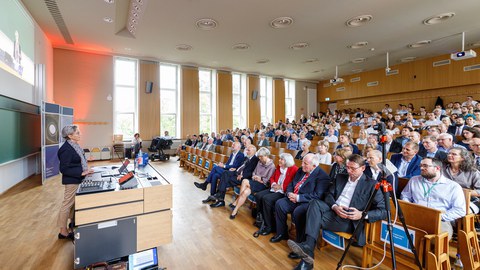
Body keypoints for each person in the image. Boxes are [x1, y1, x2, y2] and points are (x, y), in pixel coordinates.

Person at [287, 154, 387, 269]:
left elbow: (383, 211)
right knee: (313, 203)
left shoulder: (372, 184)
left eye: (353, 168)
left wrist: (362, 215)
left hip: (348, 218)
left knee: (306, 215)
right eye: (347, 167)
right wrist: (334, 206)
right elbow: (329, 195)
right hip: (332, 210)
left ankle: (307, 252)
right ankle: (308, 250)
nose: (349, 171)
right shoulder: (340, 177)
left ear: (363, 168)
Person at [271, 154, 331, 244]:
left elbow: (317, 195)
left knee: (299, 212)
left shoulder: (323, 177)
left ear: (314, 166)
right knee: (280, 203)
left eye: (305, 163)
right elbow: (292, 183)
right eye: (302, 162)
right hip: (293, 197)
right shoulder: (301, 170)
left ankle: (300, 243)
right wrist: (289, 193)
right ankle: (282, 233)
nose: (302, 165)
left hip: (307, 202)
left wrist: (298, 198)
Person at [401, 158, 466, 239]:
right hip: (415, 216)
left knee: (437, 239)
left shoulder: (453, 186)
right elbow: (405, 196)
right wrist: (409, 208)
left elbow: (460, 210)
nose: (421, 168)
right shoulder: (414, 180)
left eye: (425, 166)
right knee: (397, 231)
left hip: (439, 220)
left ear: (437, 168)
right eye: (420, 165)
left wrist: (438, 216)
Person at [57, 125, 94, 240]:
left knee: (74, 203)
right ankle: (63, 232)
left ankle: (72, 223)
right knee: (67, 204)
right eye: (77, 133)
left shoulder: (74, 145)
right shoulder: (65, 149)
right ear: (70, 135)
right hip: (72, 180)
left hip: (78, 178)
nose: (80, 134)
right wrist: (81, 172)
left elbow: (75, 160)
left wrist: (86, 161)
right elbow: (64, 168)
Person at [254, 153, 298, 236]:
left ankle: (269, 226)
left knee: (266, 199)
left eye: (281, 159)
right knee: (258, 195)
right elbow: (272, 177)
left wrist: (281, 186)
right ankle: (262, 220)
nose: (279, 160)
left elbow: (292, 184)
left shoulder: (294, 169)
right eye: (280, 158)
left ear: (287, 161)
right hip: (274, 188)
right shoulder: (279, 167)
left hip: (283, 191)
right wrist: (274, 184)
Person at [229, 147, 276, 219]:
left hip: (262, 185)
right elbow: (254, 172)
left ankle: (237, 201)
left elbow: (267, 180)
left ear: (266, 156)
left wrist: (260, 178)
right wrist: (255, 177)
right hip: (255, 182)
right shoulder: (259, 162)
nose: (259, 158)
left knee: (244, 181)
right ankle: (235, 210)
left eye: (261, 156)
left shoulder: (271, 166)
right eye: (259, 156)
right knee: (245, 192)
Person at [443, 147, 480, 214]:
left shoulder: (473, 172)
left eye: (454, 154)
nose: (449, 155)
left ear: (462, 158)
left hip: (469, 200)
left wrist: (461, 192)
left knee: (456, 212)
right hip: (445, 199)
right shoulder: (441, 169)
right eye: (449, 153)